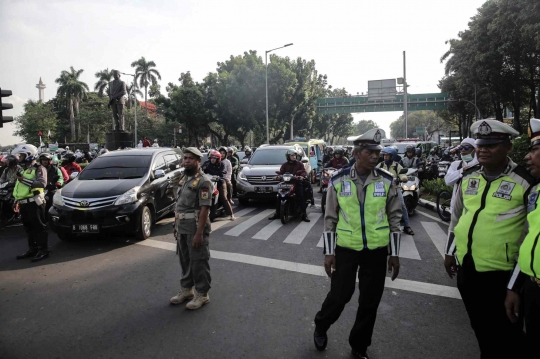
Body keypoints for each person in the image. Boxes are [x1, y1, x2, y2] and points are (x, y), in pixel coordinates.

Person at [444, 120, 533, 358]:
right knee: (480, 327)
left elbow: (530, 237)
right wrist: (449, 252)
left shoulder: (525, 182)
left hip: (503, 274)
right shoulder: (469, 176)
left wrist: (515, 285)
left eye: (491, 145)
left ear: (507, 148)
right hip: (469, 269)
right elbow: (458, 217)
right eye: (481, 145)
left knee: (508, 333)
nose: (482, 150)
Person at [313, 128, 401, 359]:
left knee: (370, 301)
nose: (375, 156)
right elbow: (330, 218)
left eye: (377, 152)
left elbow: (395, 218)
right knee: (341, 295)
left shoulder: (387, 180)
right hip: (347, 249)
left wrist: (395, 253)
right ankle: (321, 324)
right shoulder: (338, 180)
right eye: (369, 151)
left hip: (376, 250)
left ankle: (359, 345)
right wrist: (329, 253)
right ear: (356, 153)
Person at [505, 118, 540, 354]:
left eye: (535, 150)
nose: (527, 157)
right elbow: (527, 241)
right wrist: (514, 287)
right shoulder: (536, 191)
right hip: (532, 288)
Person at [170, 147, 213, 310]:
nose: (186, 161)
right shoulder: (184, 178)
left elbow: (204, 209)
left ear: (198, 161)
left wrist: (199, 233)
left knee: (199, 261)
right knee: (185, 260)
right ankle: (187, 289)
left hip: (195, 228)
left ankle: (202, 293)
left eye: (190, 159)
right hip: (182, 227)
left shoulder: (203, 182)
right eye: (185, 158)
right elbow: (179, 205)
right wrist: (176, 225)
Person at [13, 150, 49, 262]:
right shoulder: (22, 169)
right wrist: (16, 200)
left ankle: (43, 250)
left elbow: (42, 183)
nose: (20, 157)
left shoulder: (39, 168)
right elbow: (19, 187)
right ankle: (32, 249)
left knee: (39, 227)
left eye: (22, 155)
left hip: (34, 202)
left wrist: (23, 180)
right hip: (23, 203)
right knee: (28, 228)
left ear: (29, 155)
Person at [377, 147, 414, 235]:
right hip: (381, 189)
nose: (385, 157)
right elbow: (374, 173)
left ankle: (407, 226)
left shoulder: (397, 165)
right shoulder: (381, 165)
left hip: (394, 189)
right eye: (384, 155)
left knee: (402, 205)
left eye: (387, 155)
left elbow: (402, 174)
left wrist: (402, 178)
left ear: (392, 156)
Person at [268, 149, 310, 222]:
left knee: (300, 196)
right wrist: (278, 176)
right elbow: (281, 172)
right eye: (292, 155)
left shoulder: (299, 164)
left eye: (294, 155)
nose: (294, 157)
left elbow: (303, 172)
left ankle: (304, 214)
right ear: (288, 156)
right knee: (278, 196)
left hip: (296, 182)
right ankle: (277, 213)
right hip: (286, 183)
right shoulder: (284, 165)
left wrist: (301, 176)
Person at [444, 138, 479, 212]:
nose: (463, 150)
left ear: (475, 150)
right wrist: (461, 171)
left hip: (473, 209)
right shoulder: (456, 165)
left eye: (466, 147)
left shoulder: (480, 166)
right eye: (461, 148)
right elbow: (448, 181)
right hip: (456, 208)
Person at [202, 150, 235, 221]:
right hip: (208, 183)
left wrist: (217, 175)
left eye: (215, 158)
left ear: (218, 159)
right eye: (211, 158)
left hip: (219, 182)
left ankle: (231, 214)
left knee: (223, 198)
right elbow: (201, 170)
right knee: (203, 197)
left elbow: (221, 173)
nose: (213, 159)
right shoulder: (207, 163)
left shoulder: (221, 164)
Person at [39, 153, 64, 217]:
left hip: (52, 189)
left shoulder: (55, 169)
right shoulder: (38, 169)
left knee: (52, 202)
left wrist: (59, 182)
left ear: (49, 161)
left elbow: (60, 177)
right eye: (43, 160)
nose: (44, 161)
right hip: (40, 189)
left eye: (46, 160)